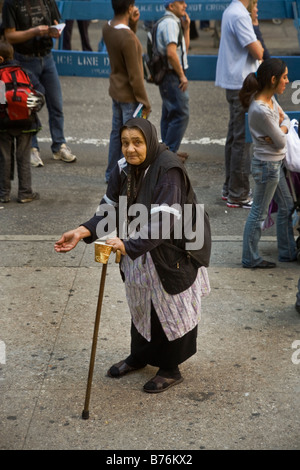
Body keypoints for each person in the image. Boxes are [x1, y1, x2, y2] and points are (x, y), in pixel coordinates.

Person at [54, 117, 210, 393]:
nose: (130, 149)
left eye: (137, 142)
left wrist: (128, 245)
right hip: (137, 247)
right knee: (140, 302)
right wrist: (82, 231)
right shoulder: (123, 168)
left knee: (170, 308)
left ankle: (170, 368)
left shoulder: (169, 169)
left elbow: (165, 221)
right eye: (125, 143)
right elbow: (110, 207)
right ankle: (139, 356)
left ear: (149, 141)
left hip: (172, 250)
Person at [1, 0, 76, 167]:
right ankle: (32, 148)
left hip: (47, 57)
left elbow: (57, 22)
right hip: (24, 59)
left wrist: (55, 30)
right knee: (29, 105)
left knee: (56, 104)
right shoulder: (11, 3)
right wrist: (33, 32)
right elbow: (10, 35)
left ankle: (59, 145)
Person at [239, 58, 297, 268]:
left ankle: (288, 252)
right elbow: (281, 139)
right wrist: (282, 129)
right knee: (259, 212)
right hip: (267, 167)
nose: (287, 81)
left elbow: (286, 119)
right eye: (284, 77)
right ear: (273, 80)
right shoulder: (261, 109)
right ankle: (250, 257)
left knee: (287, 206)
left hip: (274, 164)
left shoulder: (270, 100)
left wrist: (281, 127)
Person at [215, 0, 264, 208]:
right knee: (242, 140)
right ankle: (239, 193)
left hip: (233, 83)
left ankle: (230, 188)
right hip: (242, 84)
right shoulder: (240, 15)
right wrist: (254, 21)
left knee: (234, 137)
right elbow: (259, 52)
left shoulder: (230, 11)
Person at [103, 0, 151, 183]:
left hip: (116, 90)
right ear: (130, 8)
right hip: (129, 96)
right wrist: (145, 102)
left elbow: (124, 40)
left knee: (117, 135)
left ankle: (111, 175)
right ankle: (129, 178)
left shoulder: (107, 28)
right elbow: (135, 76)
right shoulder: (128, 38)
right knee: (132, 140)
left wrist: (133, 23)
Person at [0, 40, 43, 203]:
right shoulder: (25, 72)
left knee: (4, 157)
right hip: (26, 122)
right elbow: (40, 92)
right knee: (23, 157)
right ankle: (25, 193)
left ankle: (3, 194)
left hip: (3, 124)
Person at [156, 1, 190, 162]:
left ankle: (167, 149)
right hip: (171, 75)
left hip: (169, 74)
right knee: (181, 113)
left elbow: (182, 51)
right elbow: (171, 53)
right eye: (181, 2)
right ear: (171, 6)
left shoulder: (173, 23)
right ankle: (168, 155)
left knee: (169, 113)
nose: (185, 5)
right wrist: (182, 76)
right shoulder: (170, 23)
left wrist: (187, 28)